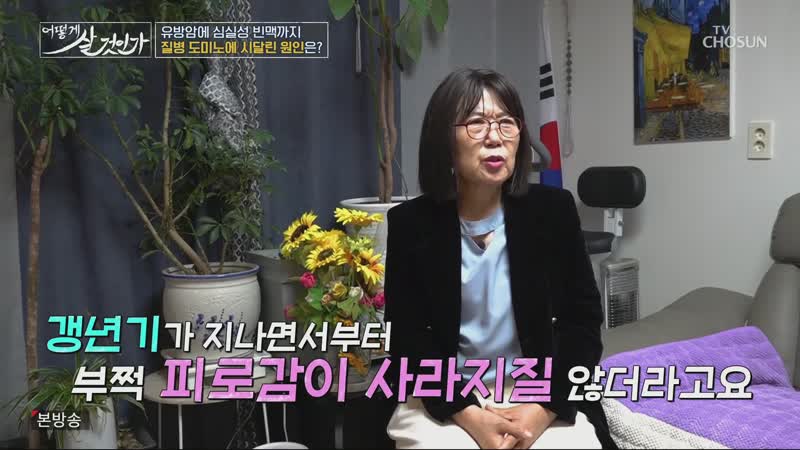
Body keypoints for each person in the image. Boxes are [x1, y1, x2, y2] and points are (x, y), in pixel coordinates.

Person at [382, 68, 616, 449]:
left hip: (539, 390)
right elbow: (407, 339)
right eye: (476, 123)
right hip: (448, 395)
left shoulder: (553, 211)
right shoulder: (411, 224)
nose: (495, 137)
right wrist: (470, 416)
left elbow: (582, 323)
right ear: (444, 139)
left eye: (507, 123)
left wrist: (542, 408)